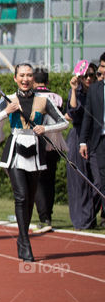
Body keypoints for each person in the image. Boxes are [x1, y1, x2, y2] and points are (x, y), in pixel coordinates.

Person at [0, 63, 67, 261]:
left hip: (36, 152)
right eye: (22, 75)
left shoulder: (43, 100)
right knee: (21, 196)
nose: (26, 79)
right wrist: (6, 111)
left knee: (29, 198)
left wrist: (45, 129)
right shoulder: (8, 99)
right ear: (15, 78)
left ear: (33, 79)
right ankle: (25, 240)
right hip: (15, 152)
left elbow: (63, 121)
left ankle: (22, 238)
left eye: (29, 75)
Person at [66, 62, 98, 229]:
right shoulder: (76, 93)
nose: (88, 79)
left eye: (92, 75)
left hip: (96, 137)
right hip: (77, 136)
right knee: (78, 181)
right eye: (85, 75)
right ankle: (84, 220)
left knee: (99, 181)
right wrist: (73, 89)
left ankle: (89, 213)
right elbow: (72, 112)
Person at [32, 68, 64, 234]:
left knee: (37, 180)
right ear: (48, 81)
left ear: (34, 81)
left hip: (38, 141)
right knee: (50, 180)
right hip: (55, 143)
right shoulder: (57, 97)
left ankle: (44, 217)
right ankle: (48, 215)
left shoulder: (34, 97)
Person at [79, 52, 105, 224]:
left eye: (103, 66)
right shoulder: (95, 88)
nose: (100, 70)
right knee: (101, 180)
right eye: (101, 66)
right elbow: (87, 116)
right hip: (99, 141)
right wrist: (83, 141)